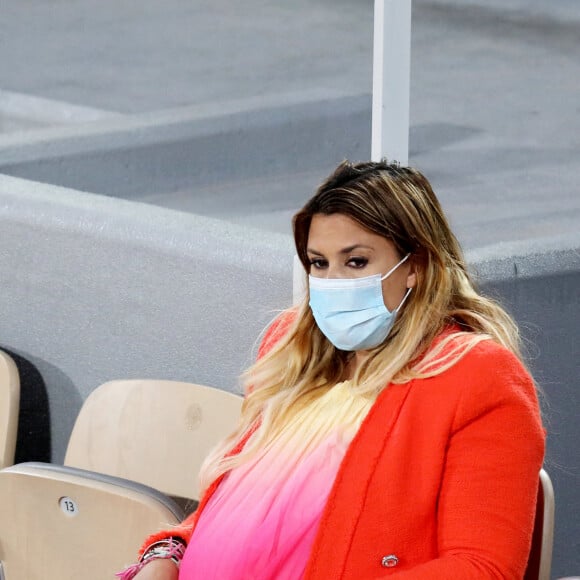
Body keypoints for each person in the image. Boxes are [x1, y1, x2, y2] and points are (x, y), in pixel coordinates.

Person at [118, 160, 545, 579]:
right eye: (318, 263)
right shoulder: (292, 351)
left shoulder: (474, 375)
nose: (333, 281)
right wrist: (168, 554)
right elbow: (251, 512)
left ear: (415, 265)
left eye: (356, 262)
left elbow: (482, 568)